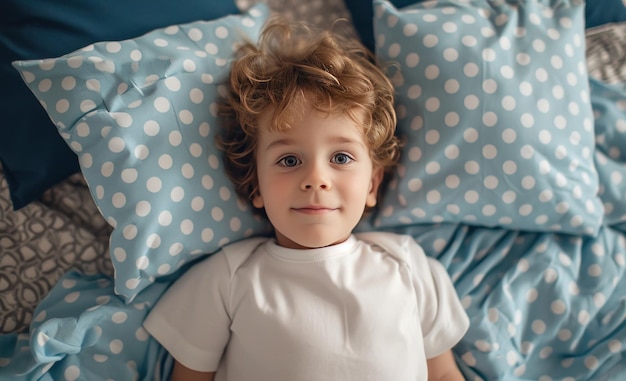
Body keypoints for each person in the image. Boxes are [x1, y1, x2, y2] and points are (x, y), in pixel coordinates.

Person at [143, 17, 469, 381]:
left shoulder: (408, 265)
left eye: (341, 158)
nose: (316, 178)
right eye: (289, 160)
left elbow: (442, 374)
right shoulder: (227, 279)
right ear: (256, 186)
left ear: (373, 185)